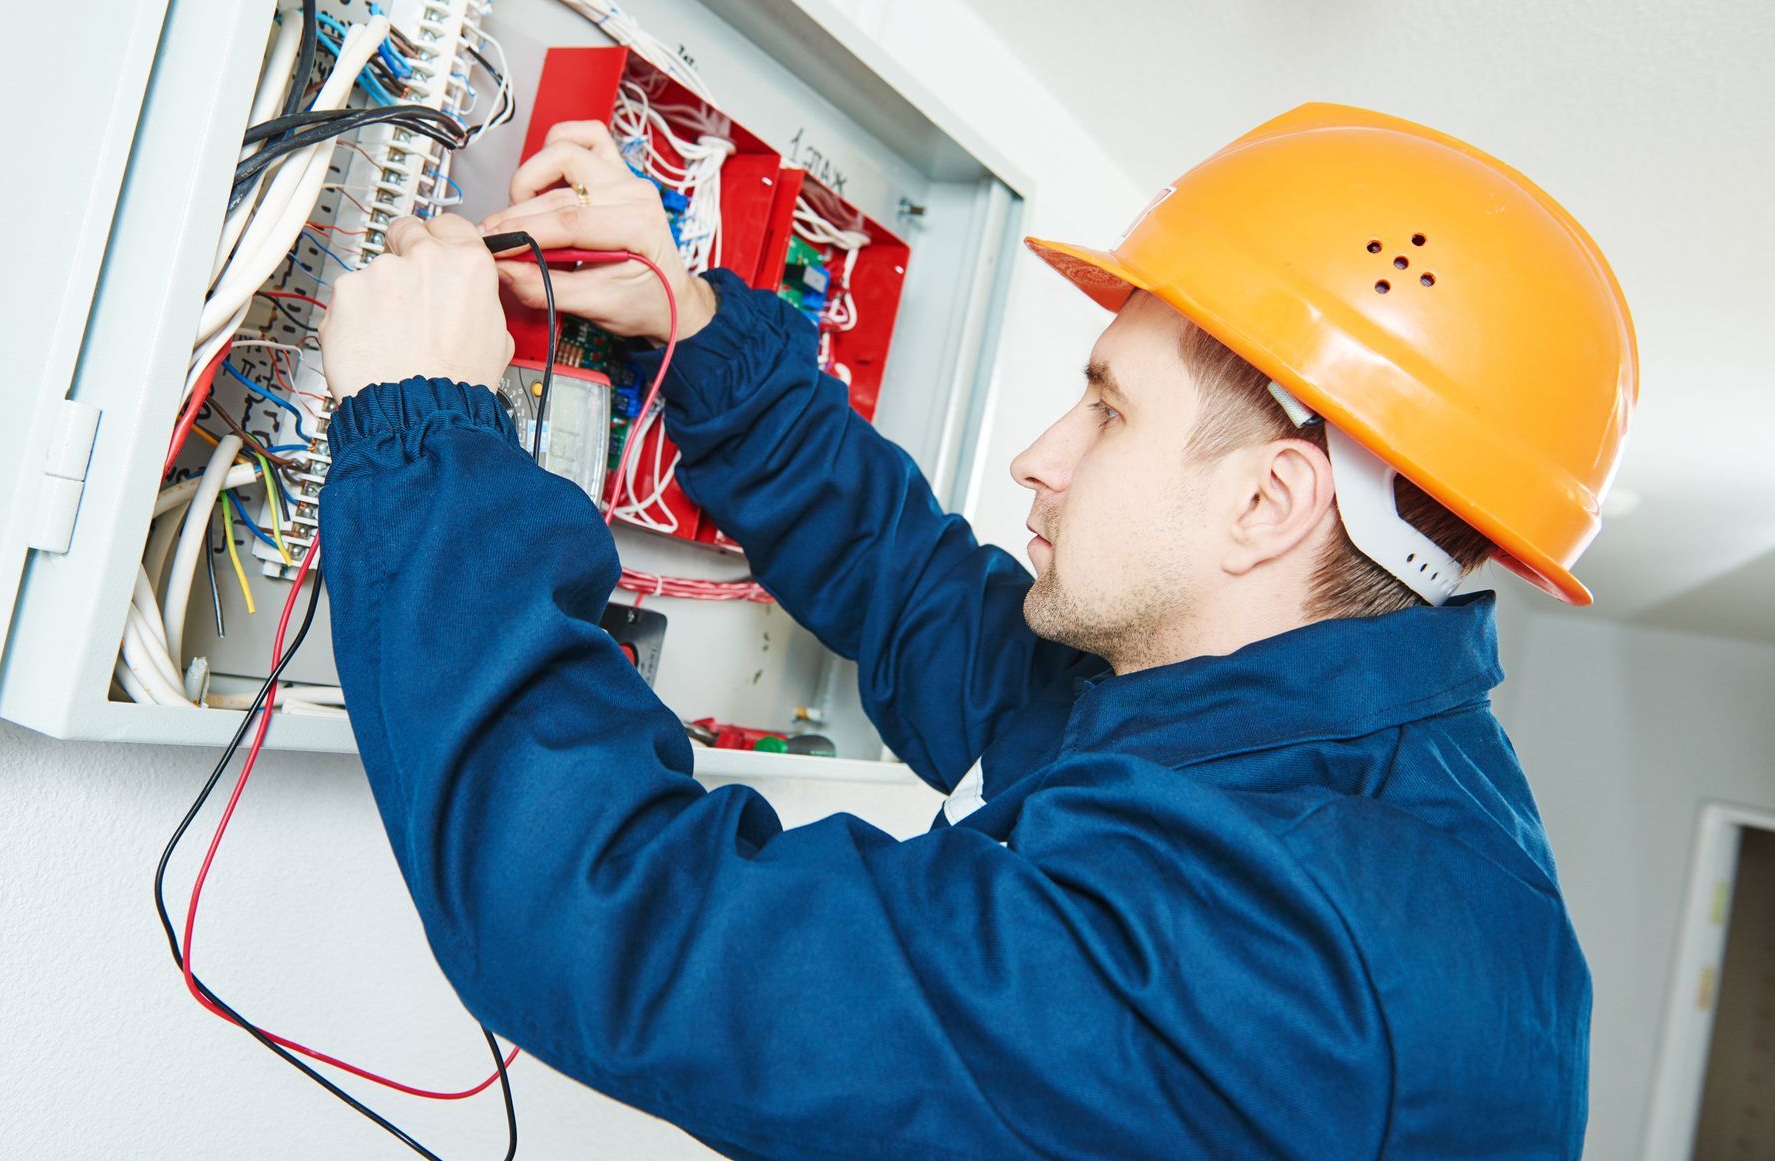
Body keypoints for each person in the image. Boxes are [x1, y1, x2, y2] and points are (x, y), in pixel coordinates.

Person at [315, 103, 1637, 1159]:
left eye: (1108, 410)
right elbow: (939, 616)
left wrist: (428, 434)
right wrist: (694, 322)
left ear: (1268, 499)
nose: (1037, 458)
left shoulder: (1283, 957)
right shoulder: (1284, 724)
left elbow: (631, 926)